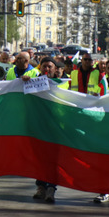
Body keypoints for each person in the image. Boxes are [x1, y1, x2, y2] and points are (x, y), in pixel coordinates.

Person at [32, 57, 62, 203]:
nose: (47, 69)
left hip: (55, 128)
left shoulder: (62, 84)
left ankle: (51, 189)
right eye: (44, 66)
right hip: (38, 127)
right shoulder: (32, 83)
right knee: (40, 159)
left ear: (55, 69)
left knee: (52, 160)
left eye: (50, 67)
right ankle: (40, 187)